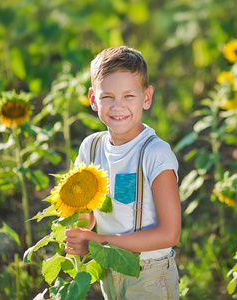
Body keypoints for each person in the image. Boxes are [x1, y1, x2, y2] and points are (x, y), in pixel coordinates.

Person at [64, 46, 181, 299]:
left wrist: (97, 242)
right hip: (109, 269)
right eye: (107, 97)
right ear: (93, 99)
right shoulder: (90, 147)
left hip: (149, 273)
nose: (118, 106)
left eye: (129, 95)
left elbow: (170, 233)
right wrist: (78, 232)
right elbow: (87, 213)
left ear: (146, 98)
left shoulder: (154, 154)